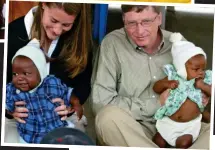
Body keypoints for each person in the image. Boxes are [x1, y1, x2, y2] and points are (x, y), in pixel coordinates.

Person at [91, 5, 210, 149]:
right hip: (135, 129)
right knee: (107, 118)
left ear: (159, 18)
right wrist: (156, 104)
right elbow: (101, 102)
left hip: (182, 127)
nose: (139, 31)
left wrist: (203, 94)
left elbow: (198, 79)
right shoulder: (112, 44)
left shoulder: (178, 43)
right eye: (131, 23)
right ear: (123, 20)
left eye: (146, 21)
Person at [5, 2, 92, 143]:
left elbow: (83, 84)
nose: (57, 30)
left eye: (66, 25)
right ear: (44, 4)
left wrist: (71, 105)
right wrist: (9, 110)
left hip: (62, 119)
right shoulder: (12, 33)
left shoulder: (80, 39)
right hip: (17, 121)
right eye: (53, 20)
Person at [152, 33, 211, 148]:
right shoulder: (173, 77)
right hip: (168, 122)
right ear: (181, 68)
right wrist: (166, 83)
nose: (201, 72)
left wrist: (203, 86)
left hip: (188, 127)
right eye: (196, 69)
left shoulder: (203, 80)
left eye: (203, 69)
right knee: (157, 141)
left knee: (184, 143)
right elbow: (156, 87)